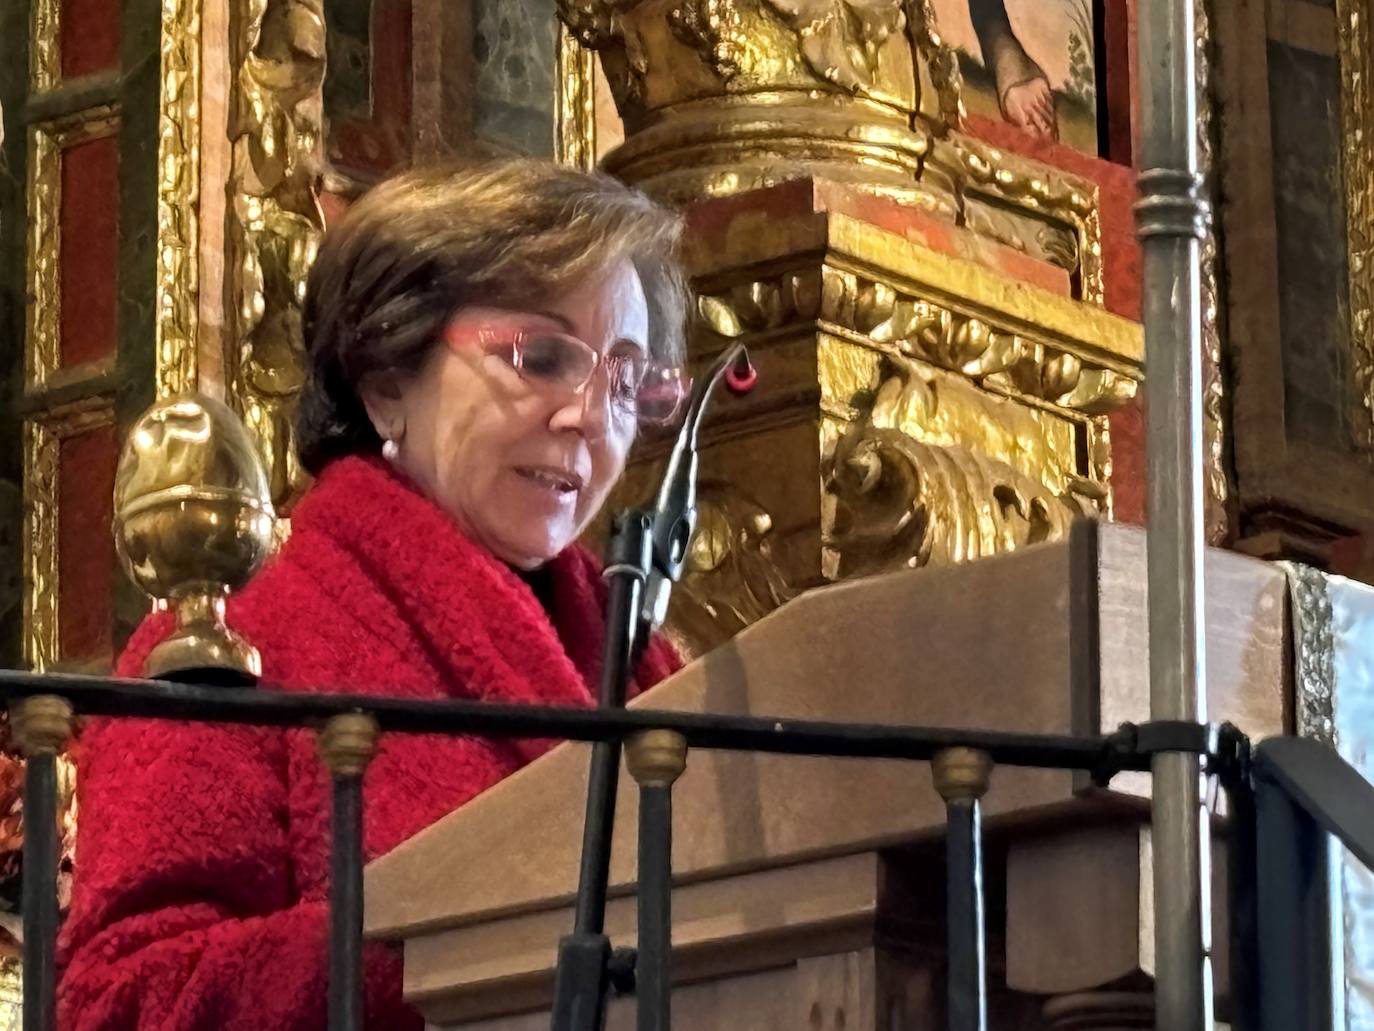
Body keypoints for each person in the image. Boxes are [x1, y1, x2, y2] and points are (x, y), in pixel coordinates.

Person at [57, 159, 687, 1030]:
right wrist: (446, 947)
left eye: (623, 377)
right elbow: (121, 1001)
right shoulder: (233, 640)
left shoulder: (651, 669)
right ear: (388, 379)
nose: (590, 416)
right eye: (540, 356)